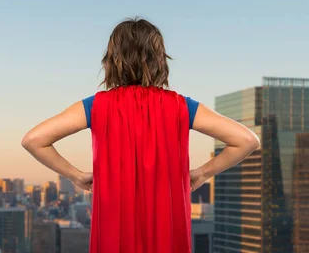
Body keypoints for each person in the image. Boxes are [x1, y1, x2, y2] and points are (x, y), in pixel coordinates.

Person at [21, 18, 259, 253]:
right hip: (168, 230)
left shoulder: (97, 106)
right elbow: (247, 140)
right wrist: (202, 173)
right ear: (159, 60)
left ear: (112, 60)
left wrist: (75, 176)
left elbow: (34, 140)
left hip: (113, 230)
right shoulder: (181, 106)